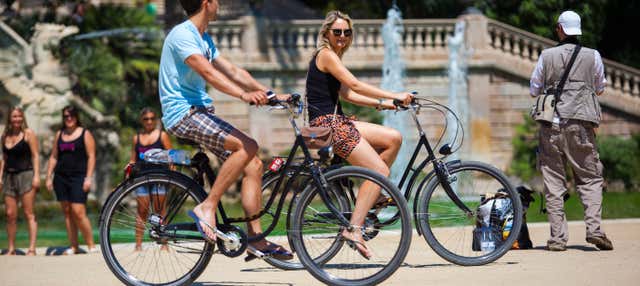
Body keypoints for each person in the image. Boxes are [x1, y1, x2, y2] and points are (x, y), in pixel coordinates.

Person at [158, 0, 291, 258]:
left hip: (200, 112)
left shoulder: (203, 38)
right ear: (207, 3)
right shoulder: (182, 34)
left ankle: (255, 239)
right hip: (184, 113)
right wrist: (243, 95)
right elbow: (208, 73)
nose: (219, 5)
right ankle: (207, 206)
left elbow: (232, 70)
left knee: (253, 164)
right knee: (247, 145)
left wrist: (270, 94)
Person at [305, 10, 413, 258]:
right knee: (380, 172)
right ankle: (354, 229)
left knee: (393, 138)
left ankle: (372, 196)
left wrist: (386, 105)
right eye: (337, 32)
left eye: (347, 32)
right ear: (326, 34)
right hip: (327, 125)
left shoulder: (334, 57)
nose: (342, 36)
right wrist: (394, 94)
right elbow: (354, 84)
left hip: (336, 120)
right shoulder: (326, 55)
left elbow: (348, 95)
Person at [530, 10, 613, 251]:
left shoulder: (546, 56)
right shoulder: (593, 55)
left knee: (553, 182)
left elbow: (534, 89)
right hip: (582, 125)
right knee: (590, 178)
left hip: (551, 126)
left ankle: (557, 239)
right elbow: (600, 88)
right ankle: (594, 230)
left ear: (560, 29)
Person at [45, 105, 97, 254]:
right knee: (67, 212)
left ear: (76, 117)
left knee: (78, 211)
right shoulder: (59, 134)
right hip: (61, 177)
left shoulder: (85, 133)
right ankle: (73, 246)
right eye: (66, 116)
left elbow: (91, 156)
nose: (69, 119)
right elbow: (54, 156)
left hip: (79, 177)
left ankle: (91, 244)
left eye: (71, 116)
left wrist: (88, 178)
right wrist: (49, 176)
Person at [127, 107, 172, 251]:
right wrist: (128, 171)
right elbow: (133, 159)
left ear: (156, 120)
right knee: (142, 211)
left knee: (160, 210)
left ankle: (164, 243)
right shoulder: (137, 138)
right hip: (142, 179)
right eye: (146, 119)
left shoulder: (162, 135)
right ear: (142, 120)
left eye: (152, 118)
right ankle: (138, 244)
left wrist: (173, 174)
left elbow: (170, 156)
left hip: (159, 178)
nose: (149, 121)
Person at [1, 107, 40, 256]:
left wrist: (37, 176)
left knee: (29, 213)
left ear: (23, 118)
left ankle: (31, 248)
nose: (16, 119)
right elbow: (4, 159)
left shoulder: (28, 134)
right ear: (9, 118)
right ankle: (11, 248)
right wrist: (0, 177)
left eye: (19, 116)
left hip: (26, 175)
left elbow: (36, 155)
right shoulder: (5, 135)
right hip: (8, 177)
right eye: (14, 116)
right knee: (10, 214)